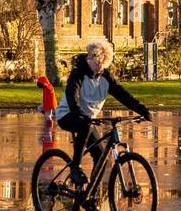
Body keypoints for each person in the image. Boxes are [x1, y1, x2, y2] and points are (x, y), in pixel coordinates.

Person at [55, 39, 150, 192]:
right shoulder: (78, 73)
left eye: (103, 64)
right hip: (68, 115)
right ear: (89, 59)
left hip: (88, 119)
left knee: (101, 157)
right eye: (97, 63)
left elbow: (122, 94)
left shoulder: (105, 76)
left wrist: (142, 110)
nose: (100, 67)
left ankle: (90, 194)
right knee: (85, 124)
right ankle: (75, 168)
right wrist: (79, 113)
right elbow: (73, 96)